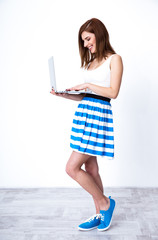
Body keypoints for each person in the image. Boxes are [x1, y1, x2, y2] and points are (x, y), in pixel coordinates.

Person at [50, 18, 123, 231]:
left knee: (71, 168)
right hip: (85, 115)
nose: (85, 44)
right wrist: (65, 95)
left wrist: (87, 84)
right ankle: (101, 214)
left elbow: (112, 93)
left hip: (98, 117)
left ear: (99, 34)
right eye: (83, 41)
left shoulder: (115, 59)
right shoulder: (90, 62)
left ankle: (105, 204)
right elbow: (87, 97)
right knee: (90, 168)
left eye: (87, 38)